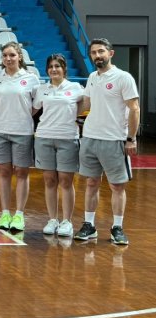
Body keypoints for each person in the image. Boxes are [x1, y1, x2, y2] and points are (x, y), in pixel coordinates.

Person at [74, 38, 139, 245]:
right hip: (90, 138)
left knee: (117, 186)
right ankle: (89, 225)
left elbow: (134, 109)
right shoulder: (92, 77)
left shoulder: (123, 77)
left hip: (114, 139)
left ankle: (117, 227)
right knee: (91, 183)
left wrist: (131, 138)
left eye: (101, 51)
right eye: (93, 52)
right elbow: (86, 104)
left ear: (110, 53)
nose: (97, 55)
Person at [0, 42, 40, 231]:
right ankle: (5, 213)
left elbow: (36, 105)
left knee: (22, 172)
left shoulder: (31, 78)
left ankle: (19, 215)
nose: (8, 59)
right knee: (4, 172)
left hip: (22, 131)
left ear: (20, 57)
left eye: (12, 55)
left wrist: (22, 115)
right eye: (5, 56)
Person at [33, 54, 84, 237]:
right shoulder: (42, 89)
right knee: (49, 180)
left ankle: (67, 221)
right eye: (51, 66)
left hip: (67, 138)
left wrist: (72, 117)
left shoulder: (76, 88)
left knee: (65, 180)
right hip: (44, 137)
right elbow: (33, 109)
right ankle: (53, 219)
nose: (54, 69)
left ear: (64, 69)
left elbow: (83, 105)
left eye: (57, 66)